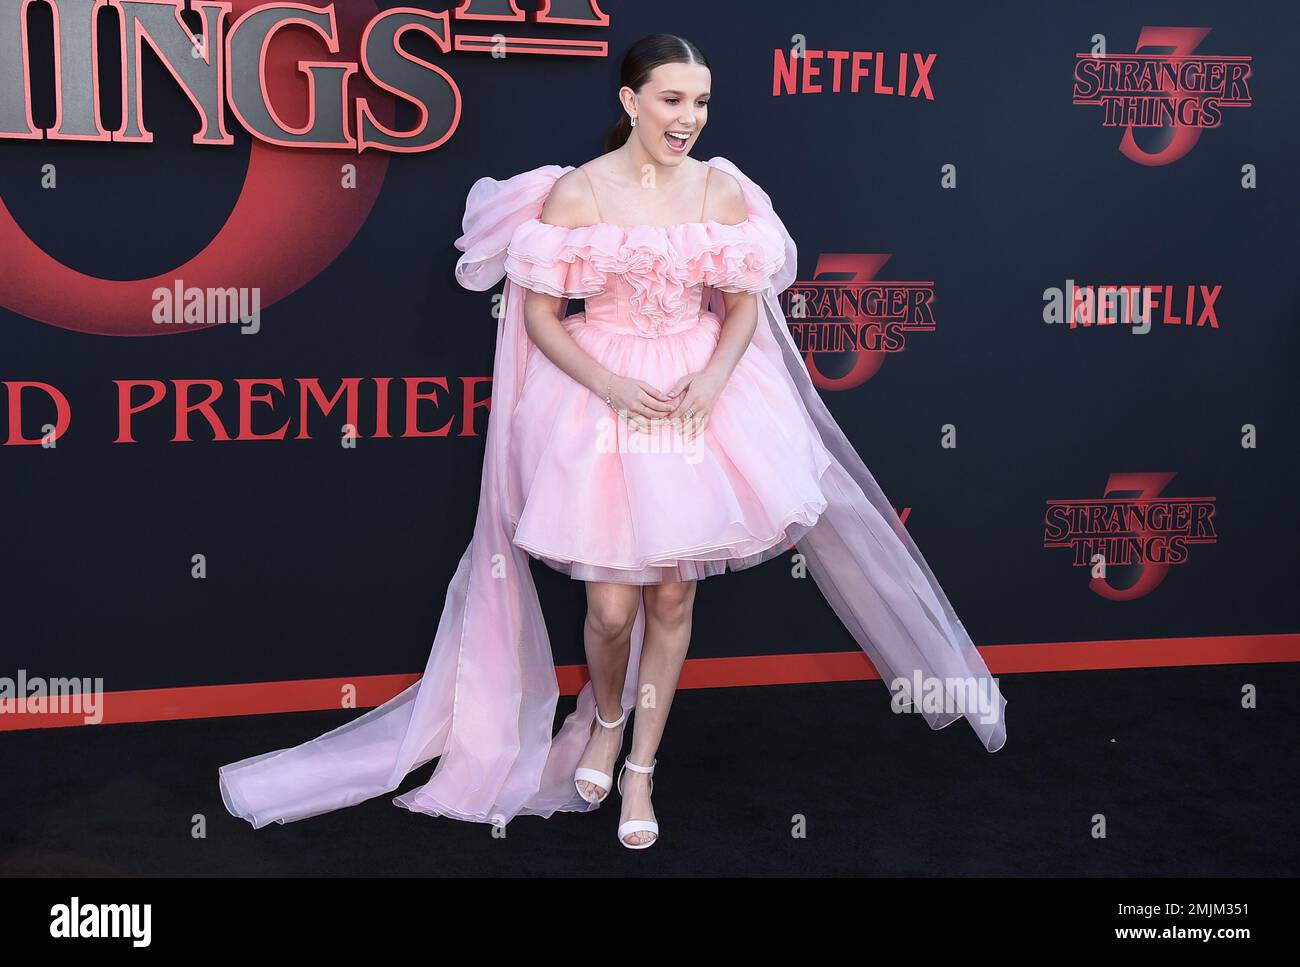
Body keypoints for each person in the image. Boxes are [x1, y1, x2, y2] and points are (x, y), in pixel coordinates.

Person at [218, 33, 1006, 851]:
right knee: (608, 607)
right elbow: (537, 316)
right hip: (605, 400)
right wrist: (609, 383)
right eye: (672, 99)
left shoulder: (723, 191)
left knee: (672, 594)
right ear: (629, 101)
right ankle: (604, 716)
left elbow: (741, 303)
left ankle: (641, 768)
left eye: (700, 102)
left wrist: (713, 378)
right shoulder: (574, 196)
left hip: (702, 398)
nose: (688, 118)